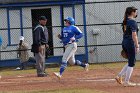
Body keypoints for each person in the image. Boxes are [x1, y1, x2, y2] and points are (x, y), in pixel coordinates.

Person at [115, 7, 139, 87]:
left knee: (131, 61)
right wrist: (137, 45)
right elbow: (134, 35)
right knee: (131, 63)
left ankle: (119, 76)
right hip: (130, 43)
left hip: (125, 42)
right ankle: (126, 81)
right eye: (135, 11)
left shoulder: (125, 21)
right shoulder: (132, 22)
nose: (136, 12)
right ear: (132, 13)